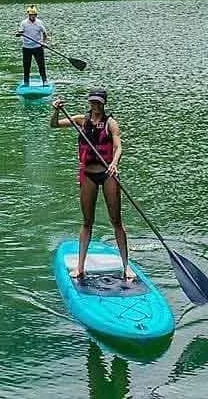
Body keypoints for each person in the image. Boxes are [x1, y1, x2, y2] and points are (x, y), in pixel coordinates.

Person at [51, 88, 133, 282]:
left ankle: (126, 266)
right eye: (92, 102)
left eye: (98, 102)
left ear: (103, 103)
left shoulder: (111, 123)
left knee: (116, 221)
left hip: (107, 174)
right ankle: (80, 267)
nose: (95, 106)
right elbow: (54, 125)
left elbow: (119, 146)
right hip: (88, 174)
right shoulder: (81, 120)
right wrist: (56, 110)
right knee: (87, 222)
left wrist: (114, 163)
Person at [15, 4, 49, 85]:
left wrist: (44, 43)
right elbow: (21, 32)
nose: (32, 16)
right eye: (31, 15)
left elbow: (45, 34)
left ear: (36, 15)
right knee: (26, 66)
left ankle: (44, 81)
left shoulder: (40, 23)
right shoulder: (23, 23)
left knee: (41, 65)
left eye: (34, 15)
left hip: (38, 47)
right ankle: (26, 82)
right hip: (26, 48)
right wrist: (18, 34)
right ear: (28, 15)